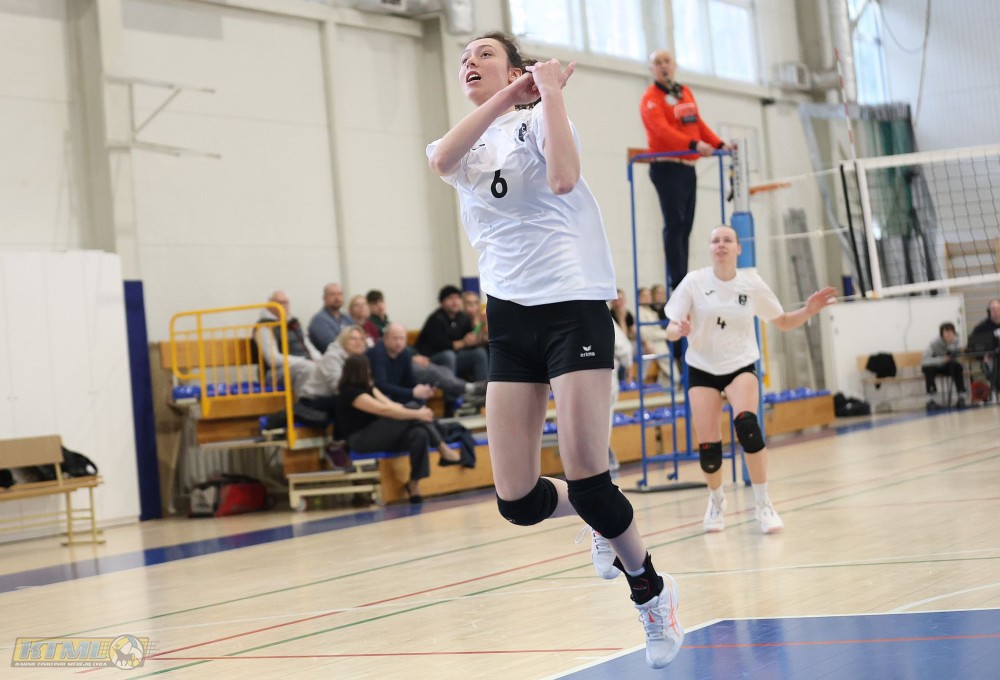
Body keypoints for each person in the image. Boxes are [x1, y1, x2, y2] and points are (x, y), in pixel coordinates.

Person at [427, 31, 682, 669]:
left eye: (484, 54)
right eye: (464, 58)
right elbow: (440, 162)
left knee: (589, 476)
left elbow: (565, 178)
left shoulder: (542, 120)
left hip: (573, 305)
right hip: (510, 318)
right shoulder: (462, 141)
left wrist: (547, 96)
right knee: (517, 500)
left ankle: (651, 591)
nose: (469, 62)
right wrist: (514, 92)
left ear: (516, 68)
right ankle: (596, 515)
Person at [663, 225, 837, 535]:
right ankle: (717, 500)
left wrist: (808, 310)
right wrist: (680, 330)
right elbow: (671, 329)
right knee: (709, 448)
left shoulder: (751, 283)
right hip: (702, 367)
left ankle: (763, 503)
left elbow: (783, 322)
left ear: (738, 248)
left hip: (740, 364)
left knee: (748, 427)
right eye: (715, 240)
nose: (721, 245)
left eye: (727, 240)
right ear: (710, 248)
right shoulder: (695, 281)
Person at [641, 49, 731, 291]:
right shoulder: (651, 98)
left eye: (667, 61)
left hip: (688, 169)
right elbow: (662, 130)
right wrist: (693, 144)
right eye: (658, 63)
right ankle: (678, 283)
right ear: (652, 69)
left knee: (685, 227)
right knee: (675, 224)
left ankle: (683, 278)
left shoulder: (684, 93)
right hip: (667, 167)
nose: (663, 66)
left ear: (675, 65)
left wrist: (718, 144)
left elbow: (697, 123)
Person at [335, 354, 462, 503]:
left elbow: (391, 405)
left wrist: (418, 412)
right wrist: (416, 413)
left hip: (380, 436)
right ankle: (442, 447)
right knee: (413, 411)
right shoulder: (349, 392)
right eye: (367, 369)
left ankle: (414, 483)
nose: (369, 371)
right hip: (361, 439)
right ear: (359, 371)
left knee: (419, 433)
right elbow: (384, 410)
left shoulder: (369, 388)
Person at [415, 284, 489, 383]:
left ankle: (482, 388)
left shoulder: (462, 317)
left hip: (454, 357)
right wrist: (463, 343)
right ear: (442, 302)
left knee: (479, 353)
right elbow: (440, 345)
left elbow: (470, 339)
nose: (455, 301)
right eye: (450, 298)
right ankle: (453, 391)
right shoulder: (436, 319)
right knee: (448, 355)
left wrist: (481, 328)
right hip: (432, 358)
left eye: (457, 298)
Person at [255, 291, 321, 394]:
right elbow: (273, 359)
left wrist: (321, 360)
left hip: (302, 364)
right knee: (307, 369)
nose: (283, 306)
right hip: (274, 373)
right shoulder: (264, 327)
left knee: (330, 366)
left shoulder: (293, 323)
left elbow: (308, 346)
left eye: (285, 302)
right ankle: (304, 402)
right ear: (270, 305)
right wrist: (304, 361)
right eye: (279, 303)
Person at [367, 322, 437, 405]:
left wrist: (420, 388)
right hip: (379, 394)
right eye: (395, 338)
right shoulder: (378, 353)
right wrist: (411, 392)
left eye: (402, 338)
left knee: (419, 397)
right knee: (389, 398)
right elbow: (381, 385)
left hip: (396, 392)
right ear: (385, 338)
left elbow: (409, 380)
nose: (398, 342)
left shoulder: (405, 352)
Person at [921, 322, 968, 409]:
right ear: (941, 334)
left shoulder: (957, 341)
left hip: (948, 366)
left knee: (958, 367)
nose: (948, 334)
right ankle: (931, 400)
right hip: (935, 365)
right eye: (946, 332)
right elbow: (924, 360)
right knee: (928, 369)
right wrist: (942, 359)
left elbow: (958, 355)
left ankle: (961, 397)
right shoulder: (934, 343)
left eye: (951, 332)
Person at [969, 299, 1000, 395]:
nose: (996, 311)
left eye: (998, 308)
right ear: (989, 311)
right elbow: (972, 348)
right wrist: (982, 356)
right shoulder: (981, 328)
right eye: (993, 309)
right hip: (991, 360)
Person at [308, 283, 350, 352]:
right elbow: (332, 346)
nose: (337, 297)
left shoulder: (347, 318)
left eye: (340, 294)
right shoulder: (319, 320)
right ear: (324, 298)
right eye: (333, 294)